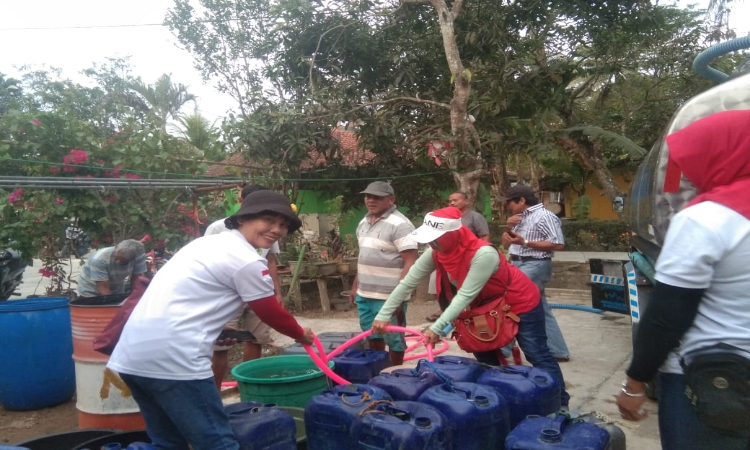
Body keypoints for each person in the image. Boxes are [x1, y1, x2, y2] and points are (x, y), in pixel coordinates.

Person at [107, 190, 315, 449]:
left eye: (283, 225)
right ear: (243, 219)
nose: (277, 229)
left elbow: (183, 298)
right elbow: (270, 311)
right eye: (269, 220)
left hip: (132, 355)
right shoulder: (247, 260)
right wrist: (300, 334)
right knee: (218, 443)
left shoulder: (204, 244)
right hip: (175, 361)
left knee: (166, 443)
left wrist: (214, 328)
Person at [616, 110, 750, 449]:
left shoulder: (708, 219)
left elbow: (667, 315)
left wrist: (634, 385)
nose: (687, 176)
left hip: (718, 377)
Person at [372, 207, 569, 407]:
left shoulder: (483, 253)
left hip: (519, 301)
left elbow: (464, 295)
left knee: (536, 352)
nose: (430, 242)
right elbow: (408, 282)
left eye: (435, 238)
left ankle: (560, 402)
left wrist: (437, 327)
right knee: (485, 355)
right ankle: (498, 402)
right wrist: (383, 315)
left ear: (453, 234)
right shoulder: (437, 252)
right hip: (483, 308)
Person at [206, 184, 285, 391]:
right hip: (228, 293)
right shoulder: (218, 228)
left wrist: (276, 292)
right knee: (221, 344)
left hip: (261, 290)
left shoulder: (270, 229)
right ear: (243, 205)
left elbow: (270, 260)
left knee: (256, 339)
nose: (274, 226)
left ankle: (249, 385)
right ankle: (215, 390)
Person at [349, 181, 418, 366]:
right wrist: (356, 286)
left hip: (388, 295)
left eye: (377, 197)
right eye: (367, 196)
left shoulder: (401, 225)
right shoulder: (364, 222)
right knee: (371, 333)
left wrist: (399, 296)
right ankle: (378, 368)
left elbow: (410, 261)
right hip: (365, 293)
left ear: (391, 199)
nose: (370, 200)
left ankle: (396, 374)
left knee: (394, 338)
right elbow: (363, 256)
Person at [500, 185, 570, 362]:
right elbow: (511, 245)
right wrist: (509, 231)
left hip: (535, 264)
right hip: (518, 262)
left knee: (512, 301)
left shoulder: (545, 216)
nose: (509, 206)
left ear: (522, 200)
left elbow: (558, 244)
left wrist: (525, 242)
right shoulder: (519, 218)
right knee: (540, 307)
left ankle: (502, 348)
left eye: (511, 203)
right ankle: (558, 350)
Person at [427, 191, 490, 321]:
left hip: (468, 260)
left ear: (467, 202)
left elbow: (484, 236)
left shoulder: (475, 217)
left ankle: (469, 315)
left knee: (466, 289)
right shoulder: (448, 219)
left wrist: (480, 256)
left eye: (456, 200)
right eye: (450, 201)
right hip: (447, 259)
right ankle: (445, 309)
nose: (452, 203)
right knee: (441, 286)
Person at [77, 239, 146, 298]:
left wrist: (136, 297)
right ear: (116, 247)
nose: (117, 262)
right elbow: (103, 289)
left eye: (123, 261)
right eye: (116, 258)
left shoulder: (139, 256)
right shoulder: (100, 259)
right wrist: (111, 303)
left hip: (116, 288)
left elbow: (137, 279)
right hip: (91, 290)